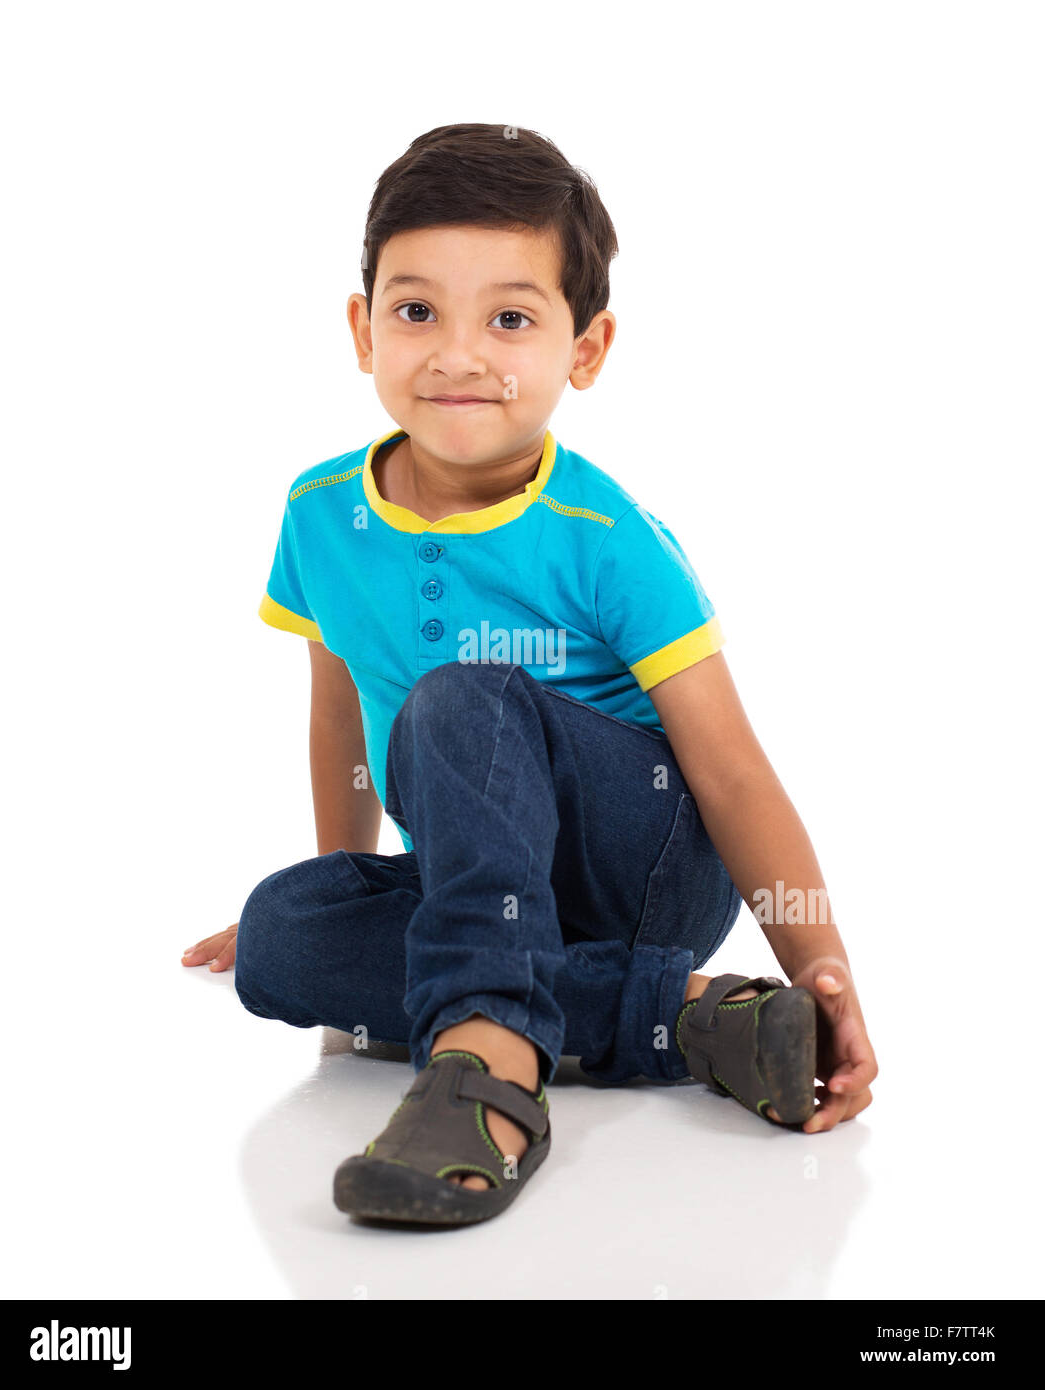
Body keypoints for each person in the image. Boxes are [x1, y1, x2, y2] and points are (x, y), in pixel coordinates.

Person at [182, 123, 877, 1227]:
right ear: (363, 331)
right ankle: (689, 1018)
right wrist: (348, 888)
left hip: (642, 873)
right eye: (417, 312)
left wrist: (827, 968)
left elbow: (733, 773)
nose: (458, 354)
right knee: (278, 935)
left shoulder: (605, 536)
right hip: (478, 887)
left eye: (509, 318)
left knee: (461, 690)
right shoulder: (320, 515)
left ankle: (491, 1068)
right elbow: (337, 716)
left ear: (585, 350)